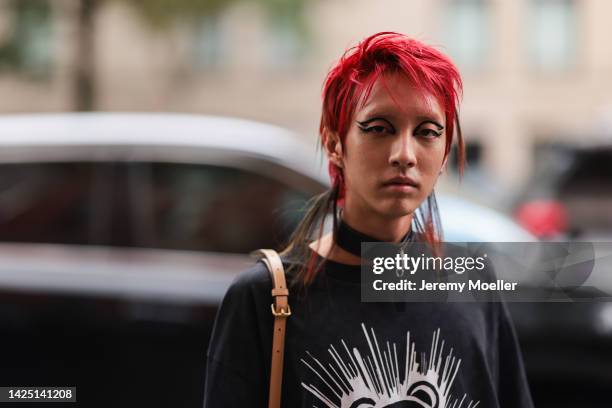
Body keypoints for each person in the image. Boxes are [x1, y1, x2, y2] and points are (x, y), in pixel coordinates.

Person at [203, 32, 534, 408]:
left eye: (427, 132)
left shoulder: (473, 283)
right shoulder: (265, 298)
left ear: (444, 155)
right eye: (379, 128)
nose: (404, 154)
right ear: (334, 143)